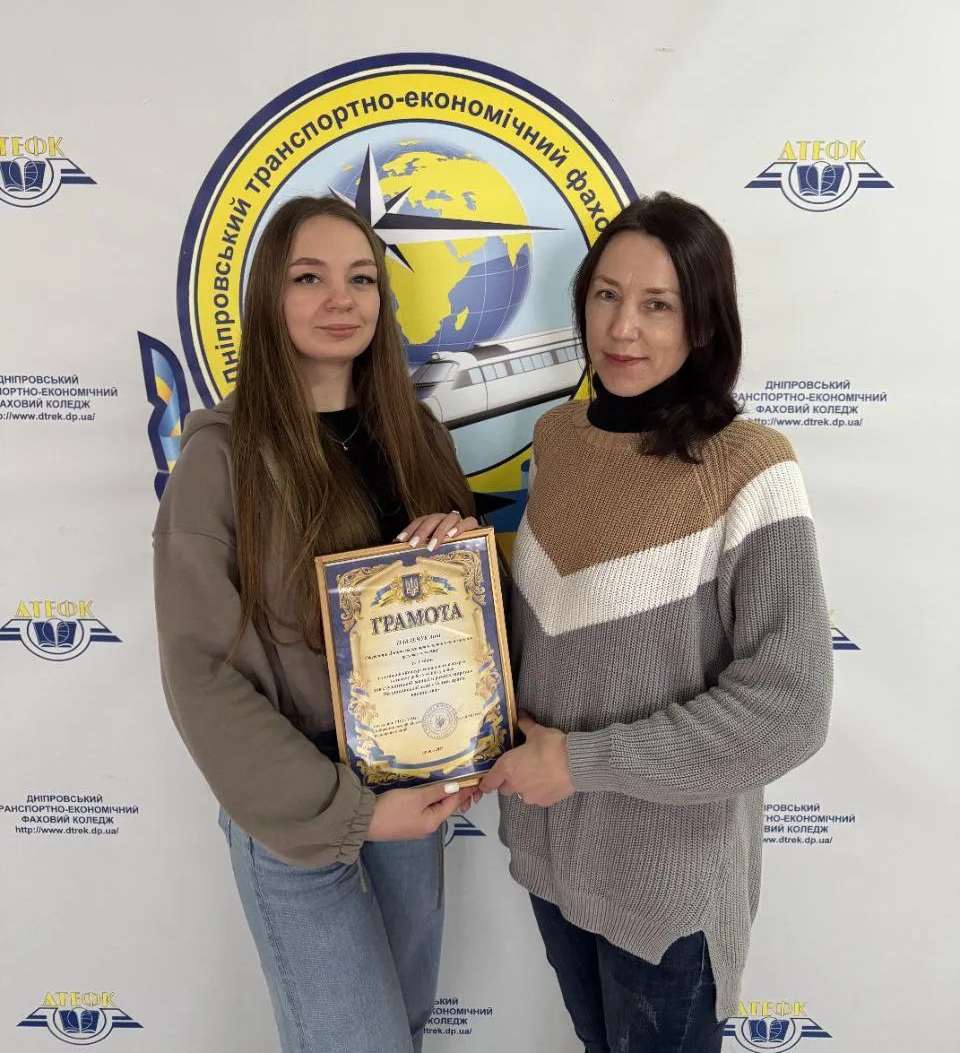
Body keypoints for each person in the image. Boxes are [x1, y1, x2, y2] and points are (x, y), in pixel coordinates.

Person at [482, 193, 834, 1053]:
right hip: (551, 858)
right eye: (606, 295)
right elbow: (556, 623)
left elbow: (790, 708)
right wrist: (454, 562)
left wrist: (581, 762)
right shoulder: (558, 437)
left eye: (658, 305)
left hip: (667, 890)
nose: (622, 328)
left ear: (703, 324)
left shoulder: (751, 467)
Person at [153, 194, 482, 1053]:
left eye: (362, 278)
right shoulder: (219, 458)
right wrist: (349, 815)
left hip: (411, 794)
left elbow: (471, 629)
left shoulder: (418, 438)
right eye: (309, 278)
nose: (341, 299)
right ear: (270, 296)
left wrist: (461, 553)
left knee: (403, 1030)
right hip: (296, 818)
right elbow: (200, 672)